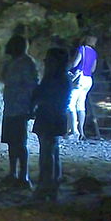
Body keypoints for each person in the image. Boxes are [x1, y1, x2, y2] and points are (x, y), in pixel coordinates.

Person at [32, 48, 73, 201]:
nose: (46, 63)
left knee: (47, 153)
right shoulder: (62, 78)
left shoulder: (54, 79)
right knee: (52, 152)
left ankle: (45, 186)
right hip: (56, 117)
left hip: (49, 117)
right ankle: (52, 184)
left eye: (48, 60)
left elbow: (41, 95)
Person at [0, 36, 38, 189]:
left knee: (20, 143)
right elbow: (3, 79)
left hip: (20, 108)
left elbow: (32, 86)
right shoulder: (12, 62)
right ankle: (13, 173)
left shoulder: (27, 63)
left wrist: (31, 107)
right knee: (11, 142)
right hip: (10, 107)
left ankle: (24, 176)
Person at [67, 36, 98, 140]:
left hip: (79, 78)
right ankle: (82, 131)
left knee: (70, 104)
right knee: (81, 105)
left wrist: (68, 68)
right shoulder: (94, 53)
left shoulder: (82, 49)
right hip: (88, 80)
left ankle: (73, 131)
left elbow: (75, 63)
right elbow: (93, 69)